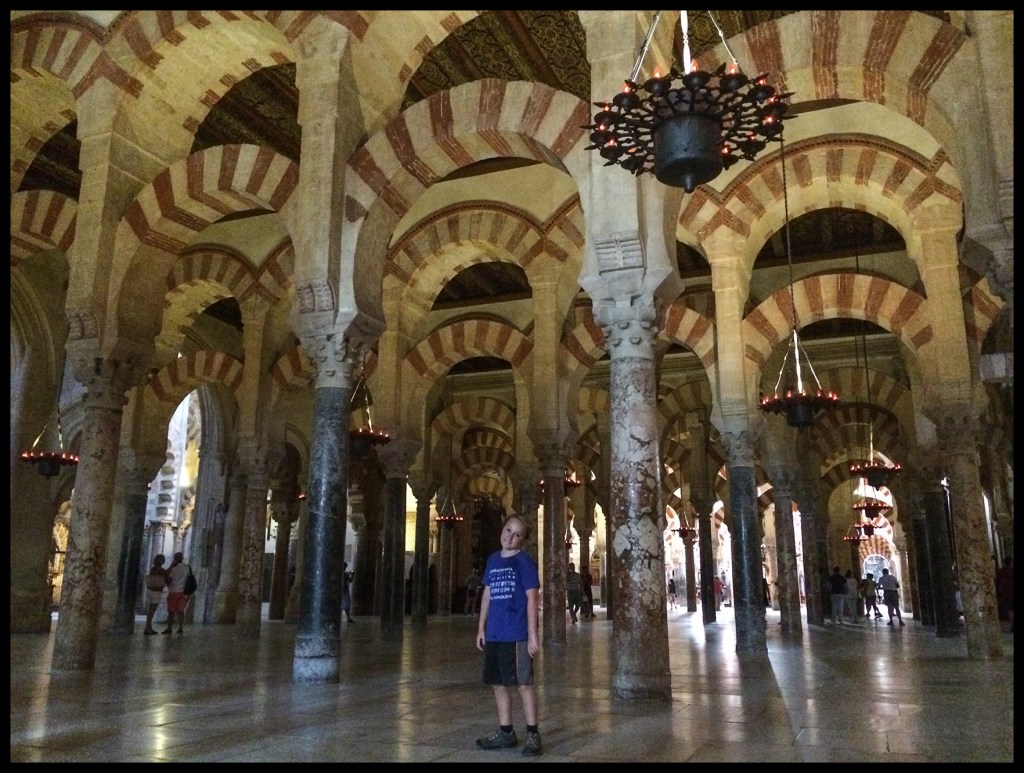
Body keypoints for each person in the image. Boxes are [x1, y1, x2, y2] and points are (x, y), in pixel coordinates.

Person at [475, 515, 542, 757]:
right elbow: (487, 595)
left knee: (523, 684)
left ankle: (533, 733)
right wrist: (481, 627)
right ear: (502, 529)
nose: (510, 537)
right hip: (495, 633)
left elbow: (532, 598)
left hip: (516, 633)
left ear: (522, 540)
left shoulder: (524, 562)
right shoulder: (493, 560)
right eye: (508, 530)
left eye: (517, 535)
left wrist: (532, 635)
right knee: (498, 683)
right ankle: (506, 732)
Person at [163, 551, 191, 634]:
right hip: (183, 592)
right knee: (181, 611)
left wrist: (171, 565)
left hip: (173, 591)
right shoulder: (187, 568)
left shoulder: (174, 568)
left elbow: (168, 578)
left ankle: (169, 628)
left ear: (175, 559)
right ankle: (180, 627)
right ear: (182, 558)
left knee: (171, 611)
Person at [142, 554, 168, 635]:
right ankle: (148, 627)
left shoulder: (153, 569)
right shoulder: (159, 569)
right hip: (155, 591)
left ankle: (148, 627)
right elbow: (166, 574)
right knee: (152, 610)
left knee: (151, 609)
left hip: (151, 591)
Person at [996, 556, 1013, 633]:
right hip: (1010, 593)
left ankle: (1012, 624)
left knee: (1010, 610)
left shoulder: (1001, 571)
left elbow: (998, 582)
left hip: (1006, 594)